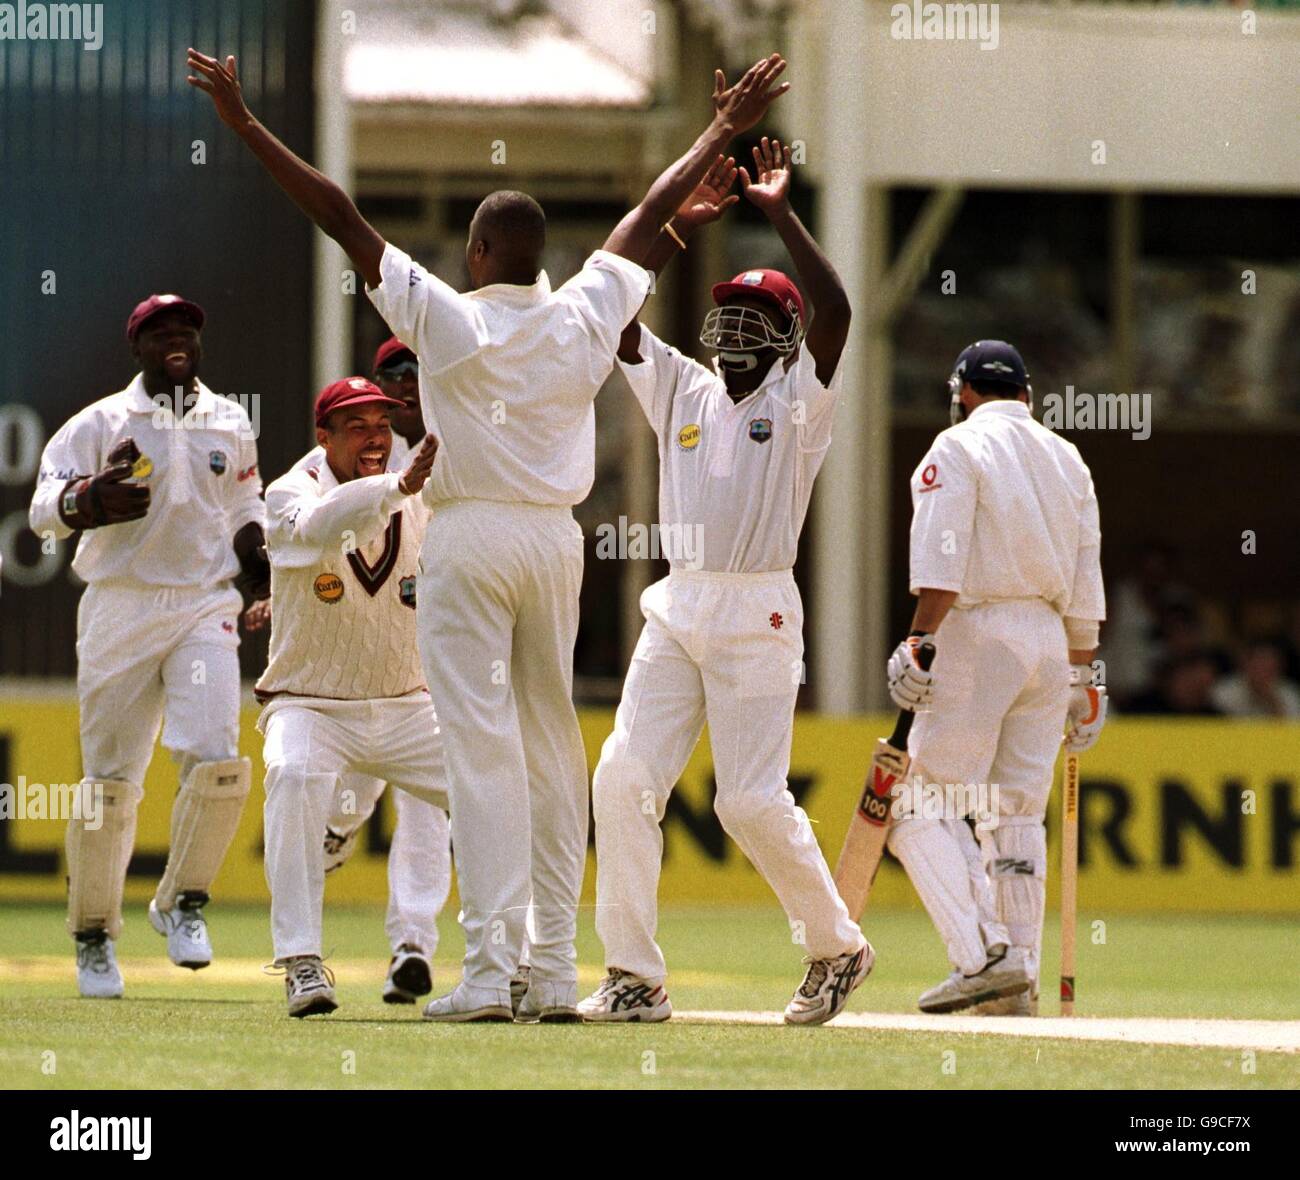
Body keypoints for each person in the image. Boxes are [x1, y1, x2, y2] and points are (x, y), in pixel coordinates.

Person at [187, 45, 791, 1021]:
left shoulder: (446, 319)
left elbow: (340, 215)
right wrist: (718, 130)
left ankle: (489, 972)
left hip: (467, 538)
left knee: (481, 751)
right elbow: (642, 228)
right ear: (542, 258)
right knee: (553, 746)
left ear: (474, 255)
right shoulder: (583, 310)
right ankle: (554, 969)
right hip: (556, 542)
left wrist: (249, 126)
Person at [579, 139, 868, 1026]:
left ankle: (836, 946)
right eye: (727, 315)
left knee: (747, 800)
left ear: (783, 339)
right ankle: (634, 976)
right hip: (679, 605)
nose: (735, 329)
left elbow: (838, 309)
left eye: (753, 317)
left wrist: (779, 210)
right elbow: (620, 323)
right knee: (622, 777)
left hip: (758, 608)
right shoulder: (681, 388)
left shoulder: (800, 399)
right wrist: (673, 225)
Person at [29, 294, 266, 998]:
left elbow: (246, 504)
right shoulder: (102, 422)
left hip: (202, 604)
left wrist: (256, 568)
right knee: (108, 785)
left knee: (218, 762)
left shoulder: (230, 419)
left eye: (188, 329)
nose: (178, 339)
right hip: (121, 607)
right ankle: (94, 936)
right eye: (161, 331)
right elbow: (45, 508)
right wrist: (85, 502)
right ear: (136, 347)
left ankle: (181, 902)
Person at [885, 340, 1106, 1016]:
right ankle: (1020, 979)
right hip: (1048, 640)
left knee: (916, 806)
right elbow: (1085, 569)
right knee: (1014, 811)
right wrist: (1084, 674)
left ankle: (983, 958)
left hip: (979, 631)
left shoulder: (955, 448)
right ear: (1028, 396)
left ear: (963, 394)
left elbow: (942, 563)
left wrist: (920, 640)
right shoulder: (1066, 456)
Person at [254, 376, 445, 1018]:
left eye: (382, 425)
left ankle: (520, 958)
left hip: (406, 702)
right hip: (312, 702)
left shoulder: (415, 491)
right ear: (324, 436)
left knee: (500, 784)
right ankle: (303, 963)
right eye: (357, 426)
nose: (376, 438)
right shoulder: (290, 490)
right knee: (292, 771)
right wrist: (394, 487)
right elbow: (313, 531)